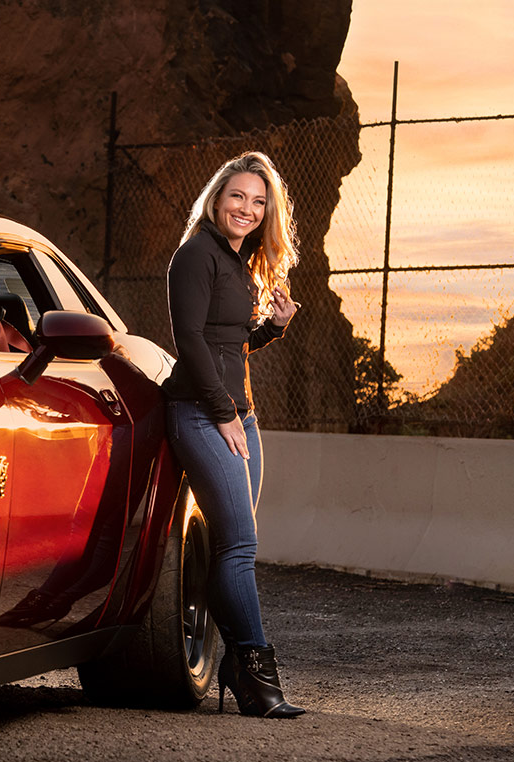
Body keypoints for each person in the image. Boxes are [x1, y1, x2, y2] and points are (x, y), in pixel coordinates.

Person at [162, 150, 305, 718]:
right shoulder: (195, 254)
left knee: (236, 543)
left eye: (258, 201)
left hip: (239, 413)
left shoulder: (240, 262)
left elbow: (230, 346)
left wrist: (273, 327)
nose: (246, 208)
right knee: (239, 546)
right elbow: (191, 341)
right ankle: (256, 675)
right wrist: (221, 413)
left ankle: (237, 670)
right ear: (217, 199)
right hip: (201, 413)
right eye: (237, 196)